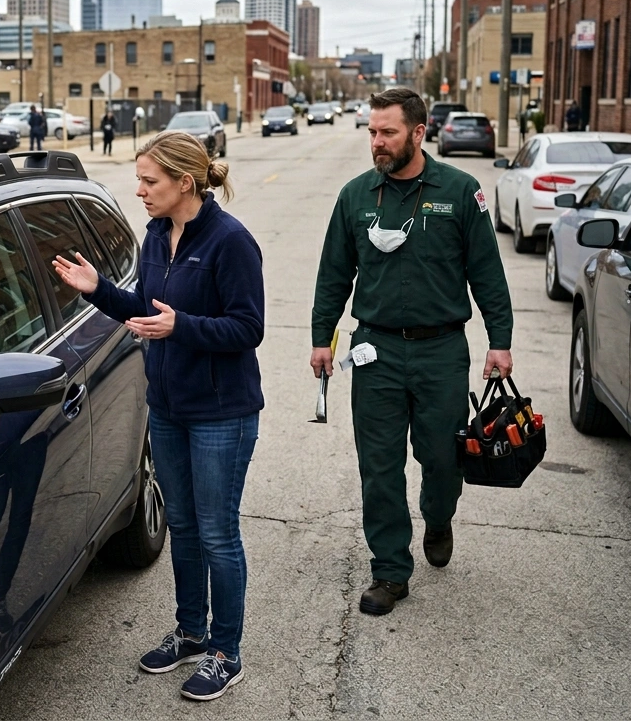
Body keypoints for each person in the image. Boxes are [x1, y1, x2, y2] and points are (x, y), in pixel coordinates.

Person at [53, 130, 264, 702]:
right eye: (139, 180)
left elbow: (249, 328)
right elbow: (146, 310)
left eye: (149, 181)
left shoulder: (230, 242)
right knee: (185, 526)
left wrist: (183, 327)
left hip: (222, 412)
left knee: (218, 532)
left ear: (184, 183)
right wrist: (97, 289)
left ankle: (226, 652)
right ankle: (191, 632)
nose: (139, 190)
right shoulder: (153, 235)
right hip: (167, 408)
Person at [310, 87, 514, 617]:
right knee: (379, 466)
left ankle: (439, 515)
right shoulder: (355, 196)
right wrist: (322, 339)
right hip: (374, 349)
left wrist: (500, 342)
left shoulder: (460, 190)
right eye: (372, 132)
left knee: (442, 460)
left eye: (388, 133)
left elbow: (487, 273)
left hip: (441, 351)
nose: (376, 142)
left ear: (418, 133)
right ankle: (390, 570)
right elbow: (334, 274)